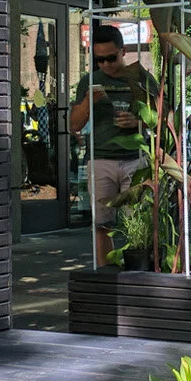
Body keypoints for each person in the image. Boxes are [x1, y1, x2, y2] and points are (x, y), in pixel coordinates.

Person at [69, 24, 160, 265]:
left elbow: (162, 120)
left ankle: (139, 272)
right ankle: (105, 273)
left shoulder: (141, 78)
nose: (106, 65)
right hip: (100, 159)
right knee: (102, 223)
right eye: (100, 60)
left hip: (135, 159)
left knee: (137, 222)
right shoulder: (90, 81)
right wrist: (88, 101)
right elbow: (74, 125)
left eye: (111, 58)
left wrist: (138, 123)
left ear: (123, 51)